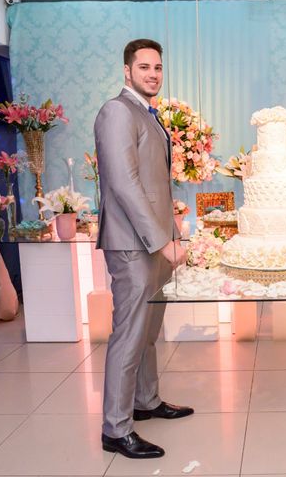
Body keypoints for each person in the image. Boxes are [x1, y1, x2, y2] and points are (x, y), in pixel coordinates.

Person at [94, 38, 191, 460]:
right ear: (127, 71)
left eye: (158, 68)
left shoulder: (147, 114)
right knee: (129, 335)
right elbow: (125, 184)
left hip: (155, 241)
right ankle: (115, 429)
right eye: (145, 67)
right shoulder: (117, 111)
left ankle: (146, 401)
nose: (153, 74)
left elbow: (156, 185)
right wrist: (161, 241)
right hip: (132, 245)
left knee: (149, 331)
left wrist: (174, 232)